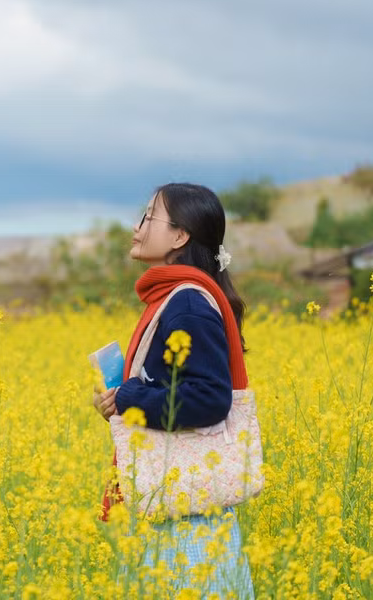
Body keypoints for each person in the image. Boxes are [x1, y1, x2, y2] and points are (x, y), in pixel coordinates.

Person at [93, 182, 256, 597]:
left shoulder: (187, 304)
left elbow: (209, 398)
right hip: (176, 504)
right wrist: (121, 401)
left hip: (187, 519)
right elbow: (173, 390)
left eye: (148, 216)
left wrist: (130, 397)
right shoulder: (175, 299)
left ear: (180, 237)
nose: (136, 226)